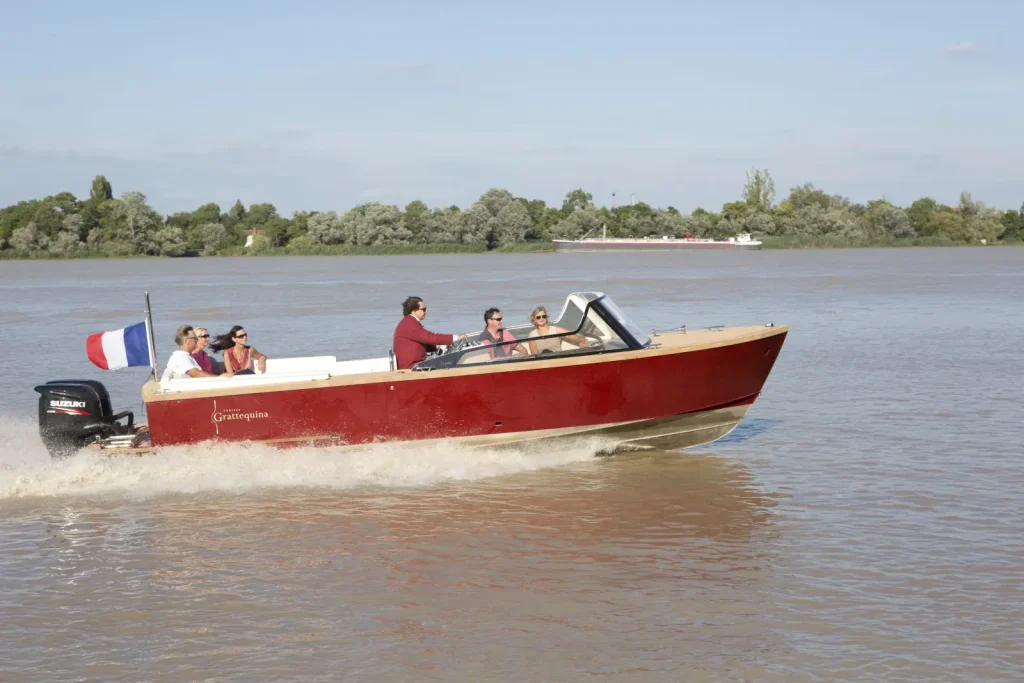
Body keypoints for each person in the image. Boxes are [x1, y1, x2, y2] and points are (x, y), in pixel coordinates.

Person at [393, 296, 466, 370]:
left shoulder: (408, 322)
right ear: (414, 311)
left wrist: (437, 347)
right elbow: (429, 337)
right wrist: (455, 338)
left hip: (415, 365)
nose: (426, 312)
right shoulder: (409, 324)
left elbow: (422, 342)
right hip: (411, 368)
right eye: (424, 309)